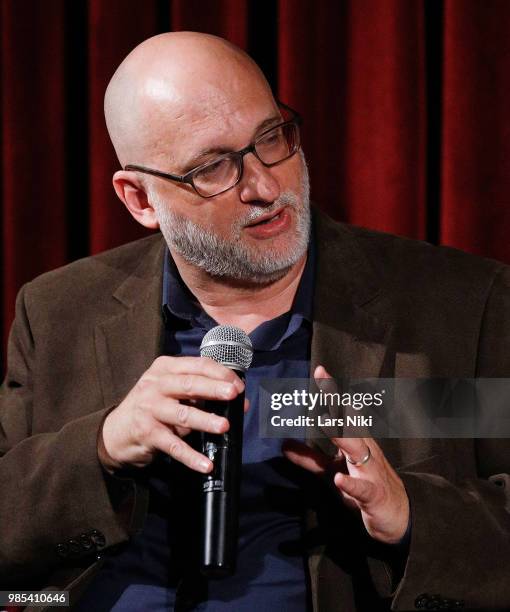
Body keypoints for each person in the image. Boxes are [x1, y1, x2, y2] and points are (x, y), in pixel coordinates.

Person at [1, 31, 510, 612]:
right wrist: (101, 446)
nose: (266, 186)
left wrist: (408, 513)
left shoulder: (457, 305)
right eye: (212, 168)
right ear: (140, 199)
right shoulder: (60, 311)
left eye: (272, 138)